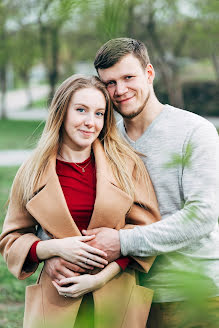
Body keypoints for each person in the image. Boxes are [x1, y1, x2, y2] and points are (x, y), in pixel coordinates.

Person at [45, 38, 219, 327]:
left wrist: (123, 242)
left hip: (192, 294)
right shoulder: (104, 139)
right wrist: (52, 251)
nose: (120, 90)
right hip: (123, 295)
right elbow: (65, 196)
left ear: (149, 74)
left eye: (128, 77)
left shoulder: (195, 132)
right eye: (110, 82)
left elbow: (202, 216)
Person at [0, 74, 160, 328]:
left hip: (115, 298)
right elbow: (11, 240)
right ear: (62, 112)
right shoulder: (32, 170)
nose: (90, 122)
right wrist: (53, 250)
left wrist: (101, 277)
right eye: (81, 110)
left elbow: (147, 232)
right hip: (56, 301)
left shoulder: (126, 165)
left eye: (99, 113)